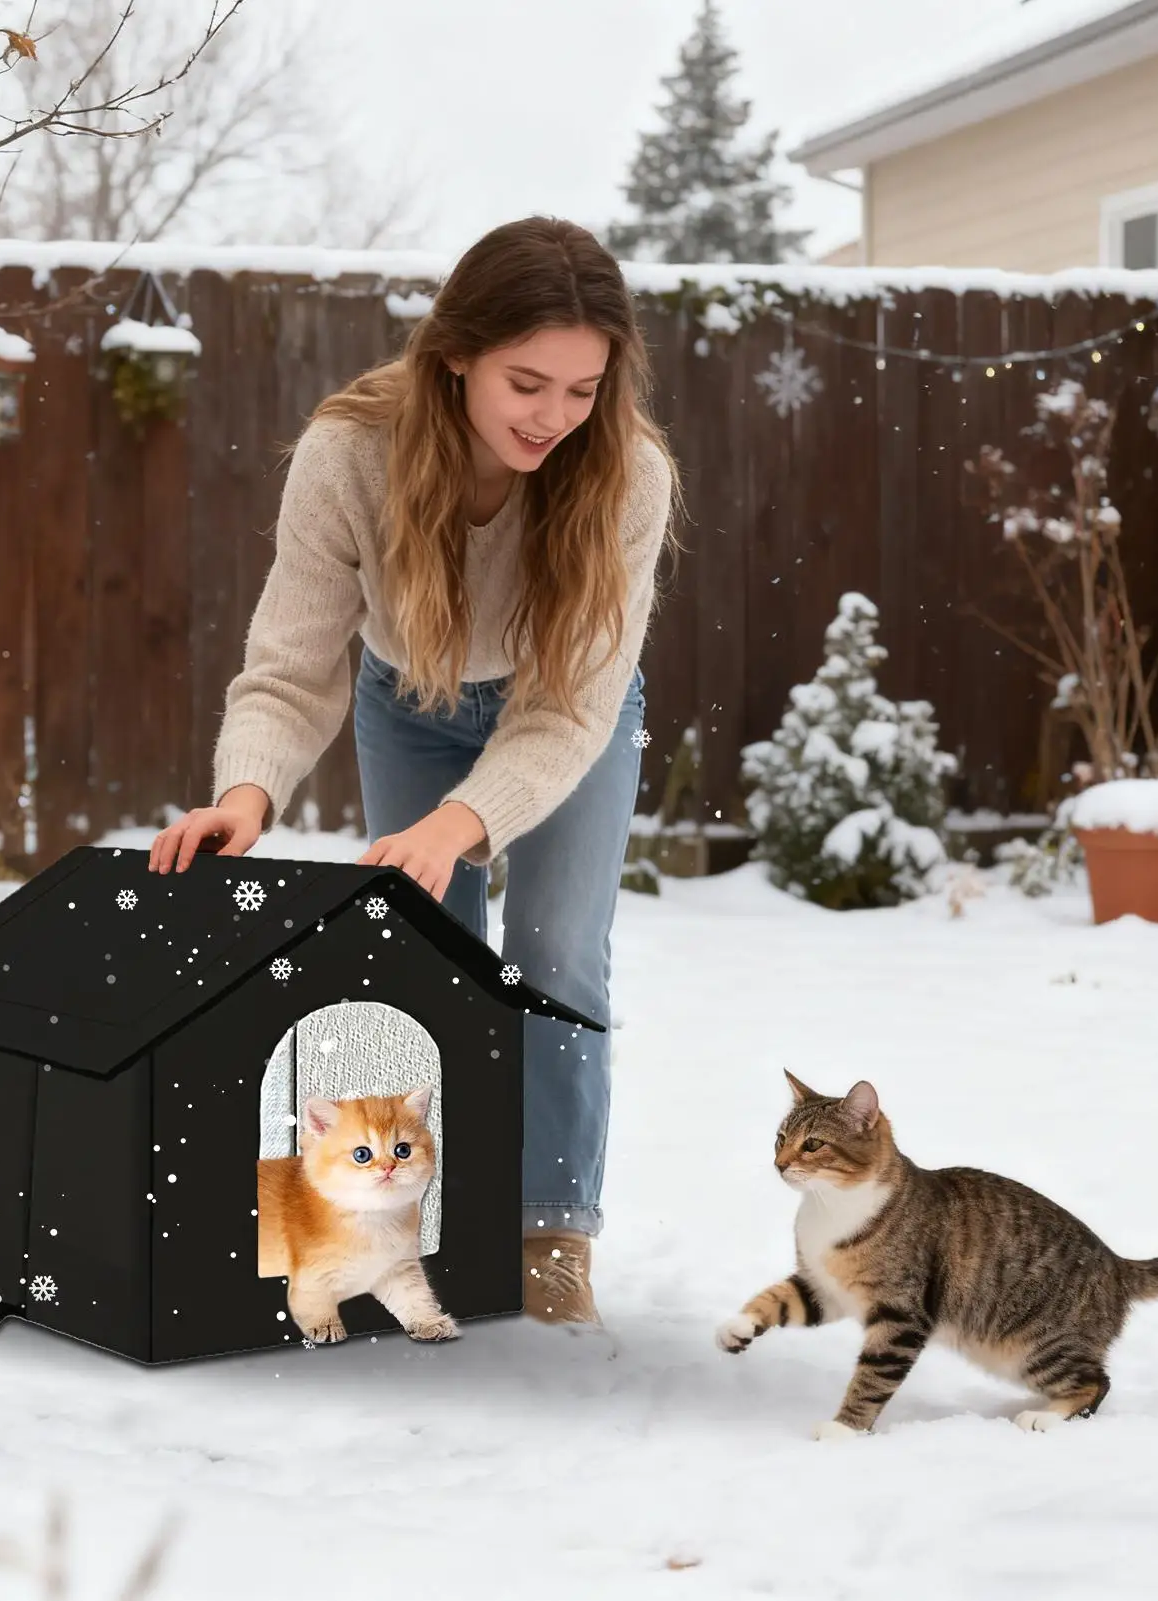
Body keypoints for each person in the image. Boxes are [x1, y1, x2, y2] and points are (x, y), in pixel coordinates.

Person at [148, 215, 680, 1325]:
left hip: (564, 712)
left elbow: (567, 704)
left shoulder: (626, 478)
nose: (552, 417)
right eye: (525, 381)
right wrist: (244, 790)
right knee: (432, 960)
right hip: (414, 695)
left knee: (554, 957)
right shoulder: (351, 454)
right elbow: (290, 666)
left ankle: (547, 1228)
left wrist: (461, 821)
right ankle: (426, 1218)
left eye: (581, 390)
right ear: (454, 353)